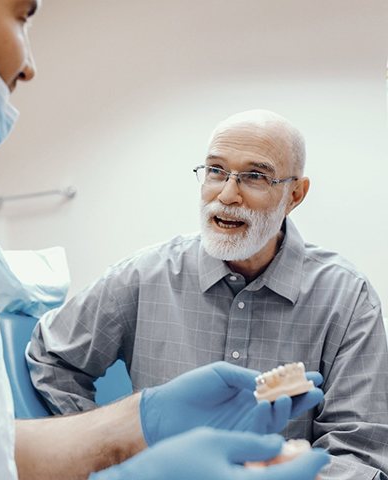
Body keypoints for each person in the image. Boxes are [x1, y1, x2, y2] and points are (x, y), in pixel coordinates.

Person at [0, 0, 329, 479]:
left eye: (254, 175)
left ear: (295, 195)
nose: (28, 66)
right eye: (21, 16)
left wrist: (137, 423)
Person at [27, 109, 388, 479]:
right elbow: (51, 358)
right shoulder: (143, 276)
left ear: (295, 194)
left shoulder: (347, 298)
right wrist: (108, 454)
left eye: (255, 177)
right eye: (216, 171)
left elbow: (358, 451)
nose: (228, 195)